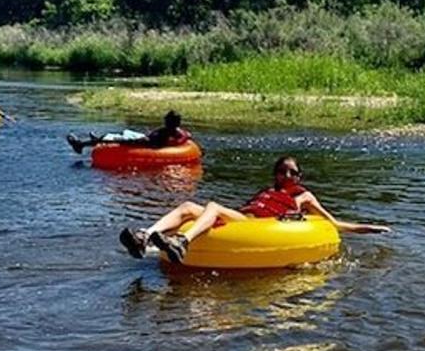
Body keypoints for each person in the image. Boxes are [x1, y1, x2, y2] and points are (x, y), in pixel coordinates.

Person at [118, 154, 391, 262]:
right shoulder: (268, 191)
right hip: (244, 218)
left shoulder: (303, 196)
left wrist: (369, 228)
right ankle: (144, 237)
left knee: (211, 205)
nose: (286, 176)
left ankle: (182, 242)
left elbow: (333, 223)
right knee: (189, 205)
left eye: (291, 173)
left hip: (257, 227)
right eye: (281, 172)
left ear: (299, 177)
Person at [66, 110, 192, 154]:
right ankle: (95, 140)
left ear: (173, 122)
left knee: (113, 140)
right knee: (115, 135)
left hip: (144, 143)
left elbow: (182, 138)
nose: (165, 122)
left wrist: (170, 143)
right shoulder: (170, 129)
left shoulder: (175, 132)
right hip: (144, 139)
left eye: (167, 120)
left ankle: (81, 144)